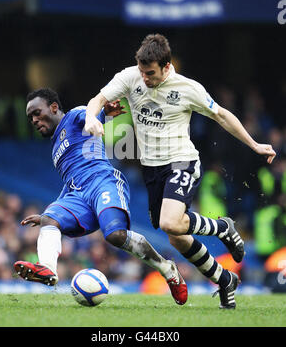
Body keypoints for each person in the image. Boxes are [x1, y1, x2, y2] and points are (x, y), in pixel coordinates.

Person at [84, 33, 276, 309]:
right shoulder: (130, 77)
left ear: (166, 66)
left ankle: (224, 227)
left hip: (181, 162)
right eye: (142, 72)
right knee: (177, 237)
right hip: (151, 170)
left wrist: (254, 144)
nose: (145, 78)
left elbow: (221, 115)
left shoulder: (187, 88)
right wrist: (92, 117)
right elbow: (97, 99)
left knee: (170, 223)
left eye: (150, 73)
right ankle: (224, 280)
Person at [14, 88, 188, 306]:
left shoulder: (74, 115)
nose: (34, 119)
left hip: (103, 182)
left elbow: (88, 115)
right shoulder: (55, 147)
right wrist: (49, 213)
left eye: (37, 113)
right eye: (30, 117)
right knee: (50, 219)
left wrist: (102, 112)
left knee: (115, 235)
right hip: (79, 195)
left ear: (54, 107)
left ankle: (167, 268)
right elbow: (70, 183)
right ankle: (47, 270)